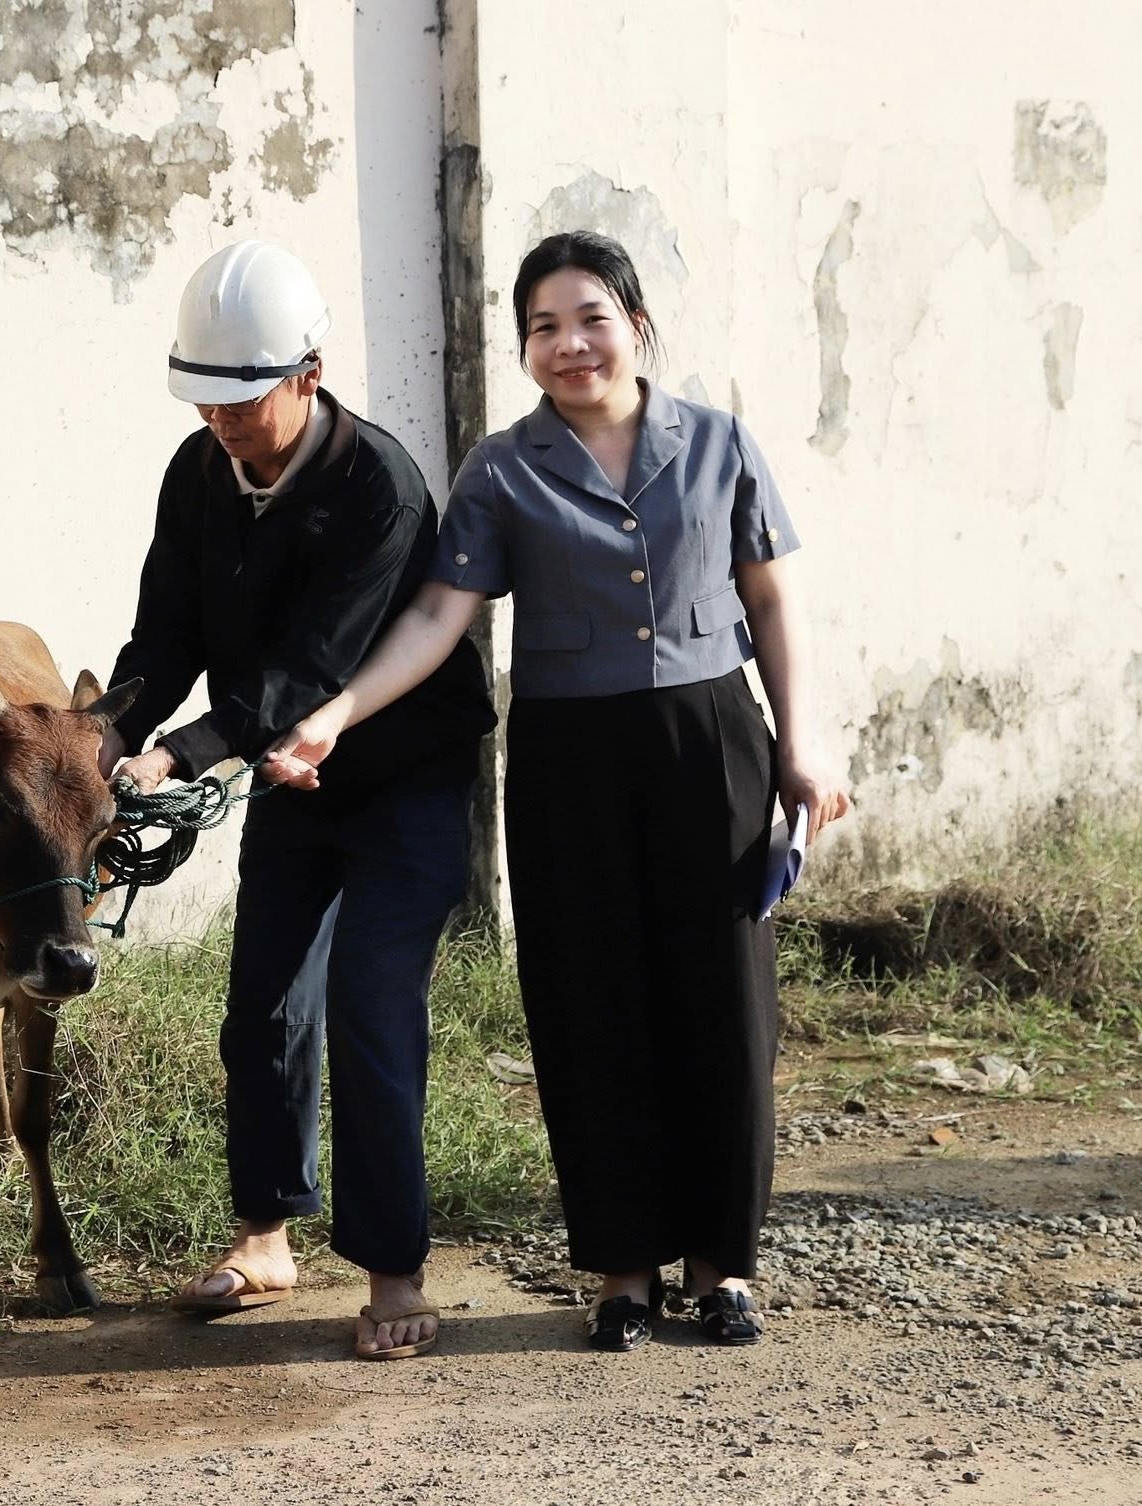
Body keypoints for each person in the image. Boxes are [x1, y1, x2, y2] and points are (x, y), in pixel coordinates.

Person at [265, 230, 852, 1350]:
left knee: (723, 1002)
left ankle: (723, 1267)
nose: (567, 343)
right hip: (566, 762)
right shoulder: (501, 467)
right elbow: (442, 616)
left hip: (708, 742)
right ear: (524, 347)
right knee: (590, 1004)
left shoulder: (718, 441)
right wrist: (333, 716)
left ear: (633, 323)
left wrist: (798, 743)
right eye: (541, 326)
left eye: (588, 317)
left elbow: (771, 603)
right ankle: (622, 1270)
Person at [102, 240, 496, 1360]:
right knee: (264, 1008)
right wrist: (105, 738)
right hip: (288, 779)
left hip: (401, 781)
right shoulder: (195, 473)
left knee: (372, 1005)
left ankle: (392, 1272)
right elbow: (162, 633)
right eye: (204, 399)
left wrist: (179, 754)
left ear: (307, 376)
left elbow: (312, 666)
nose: (220, 421)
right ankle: (265, 1234)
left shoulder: (379, 484)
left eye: (243, 398)